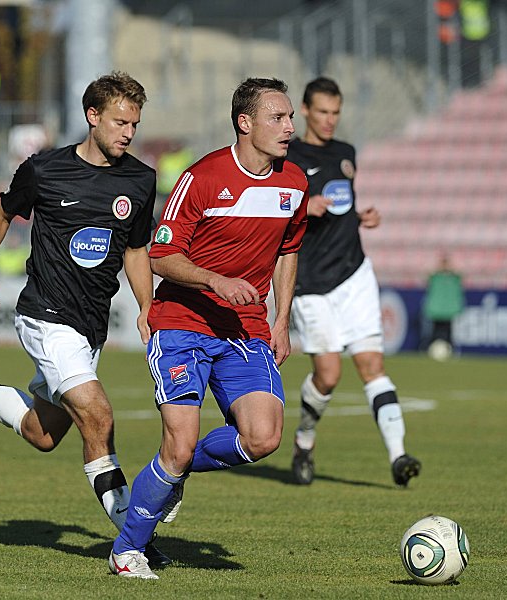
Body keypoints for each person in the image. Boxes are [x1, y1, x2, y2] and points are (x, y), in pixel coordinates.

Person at [0, 72, 171, 567]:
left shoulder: (140, 179)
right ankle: (132, 540)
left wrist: (146, 306)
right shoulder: (44, 170)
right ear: (92, 116)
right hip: (45, 317)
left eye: (135, 124)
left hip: (90, 326)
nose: (128, 133)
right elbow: (0, 214)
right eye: (120, 121)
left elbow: (138, 249)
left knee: (44, 433)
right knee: (98, 415)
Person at [110, 77, 309, 579]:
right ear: (246, 123)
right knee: (177, 443)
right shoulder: (202, 177)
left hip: (246, 329)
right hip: (181, 322)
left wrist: (282, 317)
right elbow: (160, 255)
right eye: (278, 118)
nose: (290, 126)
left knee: (262, 438)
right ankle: (127, 550)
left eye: (289, 118)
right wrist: (215, 281)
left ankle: (169, 473)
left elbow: (288, 250)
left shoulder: (295, 183)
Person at [285, 76, 421, 488]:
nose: (330, 120)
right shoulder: (286, 157)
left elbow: (344, 201)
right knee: (327, 376)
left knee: (371, 365)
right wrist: (304, 206)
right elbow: (274, 212)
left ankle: (399, 456)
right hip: (310, 280)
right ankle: (305, 440)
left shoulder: (346, 153)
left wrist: (360, 216)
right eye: (322, 112)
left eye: (336, 112)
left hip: (354, 271)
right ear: (305, 111)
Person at [422, 252, 464, 361]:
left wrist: (449, 268)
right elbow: (428, 275)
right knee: (435, 333)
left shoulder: (453, 277)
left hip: (447, 310)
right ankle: (431, 350)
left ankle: (450, 351)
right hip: (437, 309)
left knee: (448, 333)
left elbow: (460, 275)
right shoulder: (436, 277)